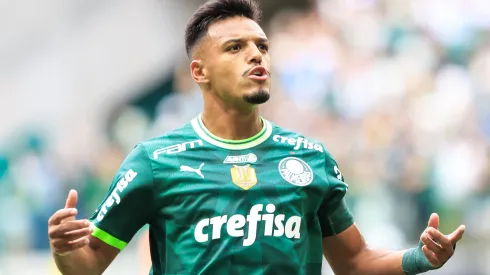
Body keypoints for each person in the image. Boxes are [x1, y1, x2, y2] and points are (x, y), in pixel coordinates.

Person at [47, 0, 465, 274]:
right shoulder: (155, 161)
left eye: (261, 46)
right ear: (199, 72)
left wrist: (419, 258)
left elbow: (354, 262)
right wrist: (65, 249)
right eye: (235, 47)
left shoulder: (309, 158)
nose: (255, 54)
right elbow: (88, 265)